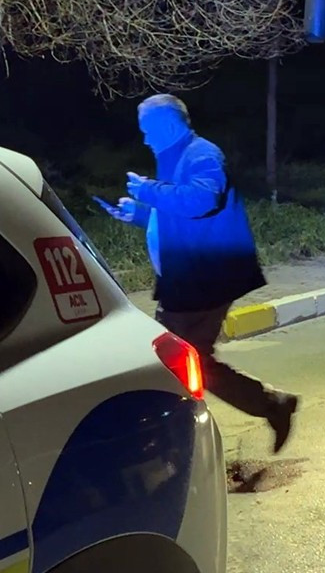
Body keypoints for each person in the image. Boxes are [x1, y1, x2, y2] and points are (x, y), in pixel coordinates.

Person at [108, 94, 298, 453]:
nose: (145, 139)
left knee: (174, 361)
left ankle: (171, 443)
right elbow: (181, 219)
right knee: (185, 361)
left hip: (204, 280)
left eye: (147, 130)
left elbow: (200, 202)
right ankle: (265, 407)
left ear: (166, 125)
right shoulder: (177, 156)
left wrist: (149, 190)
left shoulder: (202, 154)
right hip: (189, 280)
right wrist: (138, 213)